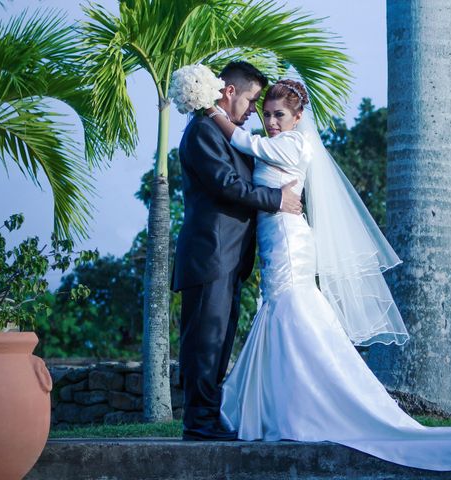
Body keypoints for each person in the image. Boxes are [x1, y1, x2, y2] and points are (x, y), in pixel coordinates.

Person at [205, 79, 451, 471]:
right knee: (281, 309)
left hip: (288, 240)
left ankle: (304, 407)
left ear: (298, 117)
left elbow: (246, 144)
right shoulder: (282, 140)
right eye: (267, 114)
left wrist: (213, 111)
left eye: (279, 115)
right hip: (277, 237)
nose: (270, 121)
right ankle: (281, 406)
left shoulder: (291, 143)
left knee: (291, 309)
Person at [171, 62, 304, 441]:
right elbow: (227, 185)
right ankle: (199, 423)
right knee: (205, 342)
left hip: (229, 260)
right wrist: (277, 198)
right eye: (251, 99)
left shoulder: (229, 135)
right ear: (229, 91)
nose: (253, 111)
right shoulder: (202, 132)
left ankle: (209, 419)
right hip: (210, 256)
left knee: (219, 340)